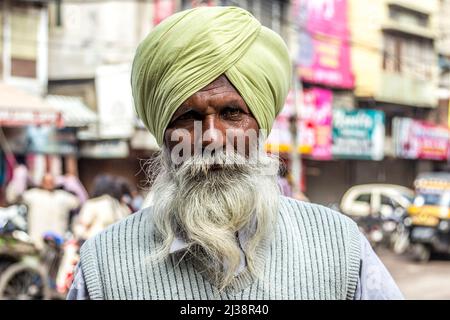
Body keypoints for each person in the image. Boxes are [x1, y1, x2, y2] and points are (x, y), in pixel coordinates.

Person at [67, 6, 403, 300]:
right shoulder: (105, 265)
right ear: (163, 134)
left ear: (260, 125)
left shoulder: (338, 248)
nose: (211, 137)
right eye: (189, 117)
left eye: (232, 113)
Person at [7, 173, 80, 249]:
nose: (49, 184)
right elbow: (13, 198)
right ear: (42, 182)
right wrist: (20, 178)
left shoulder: (63, 197)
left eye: (51, 181)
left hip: (57, 242)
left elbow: (79, 202)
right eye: (46, 181)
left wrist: (73, 184)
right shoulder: (33, 195)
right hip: (37, 241)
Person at [72, 175, 131, 242]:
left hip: (95, 242)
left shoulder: (92, 204)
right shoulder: (118, 204)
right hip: (116, 241)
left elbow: (84, 224)